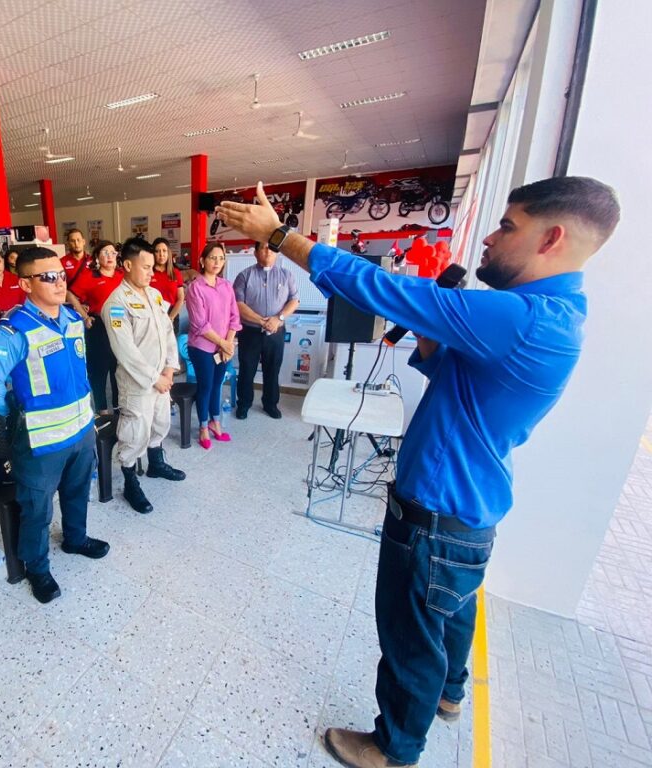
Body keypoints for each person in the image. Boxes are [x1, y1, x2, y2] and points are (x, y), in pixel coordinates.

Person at [216, 177, 621, 768]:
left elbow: (377, 287)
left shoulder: (524, 318)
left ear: (552, 237)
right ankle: (450, 696)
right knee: (451, 614)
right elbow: (449, 373)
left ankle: (394, 748)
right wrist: (439, 321)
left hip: (435, 511)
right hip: (467, 507)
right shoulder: (555, 316)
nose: (489, 237)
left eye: (508, 226)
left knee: (412, 637)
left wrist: (280, 235)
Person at [0, 246, 109, 604]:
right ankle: (36, 568)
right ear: (24, 283)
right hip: (40, 439)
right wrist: (18, 414)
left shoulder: (70, 318)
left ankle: (76, 539)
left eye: (61, 275)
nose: (58, 282)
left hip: (80, 429)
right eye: (47, 276)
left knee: (77, 490)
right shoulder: (12, 331)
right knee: (37, 507)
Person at [101, 237, 185, 514]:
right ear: (127, 265)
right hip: (137, 383)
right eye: (146, 267)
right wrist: (154, 378)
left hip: (162, 377)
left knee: (160, 424)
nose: (152, 272)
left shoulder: (155, 295)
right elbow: (125, 351)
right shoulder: (116, 303)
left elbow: (167, 333)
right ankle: (129, 481)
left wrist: (170, 368)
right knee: (135, 433)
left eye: (153, 266)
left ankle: (156, 465)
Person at [232, 241, 299, 420]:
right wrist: (261, 321)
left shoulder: (286, 275)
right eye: (263, 247)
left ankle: (270, 404)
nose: (267, 251)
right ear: (255, 252)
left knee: (272, 369)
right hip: (250, 331)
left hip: (276, 331)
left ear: (277, 253)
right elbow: (238, 304)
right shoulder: (244, 276)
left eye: (272, 248)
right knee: (247, 369)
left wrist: (279, 318)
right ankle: (244, 404)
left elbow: (294, 300)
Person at [184, 243, 240, 450]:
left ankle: (216, 422)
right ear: (202, 260)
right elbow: (200, 324)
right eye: (212, 258)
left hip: (223, 347)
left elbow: (235, 316)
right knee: (206, 386)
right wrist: (224, 344)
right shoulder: (195, 288)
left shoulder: (226, 285)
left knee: (218, 385)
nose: (217, 262)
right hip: (202, 347)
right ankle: (203, 427)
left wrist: (229, 343)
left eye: (220, 258)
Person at [67, 240, 123, 414]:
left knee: (119, 370)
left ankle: (118, 406)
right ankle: (102, 410)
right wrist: (85, 317)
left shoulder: (122, 275)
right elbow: (70, 294)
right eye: (105, 253)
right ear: (97, 257)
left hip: (121, 327)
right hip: (99, 327)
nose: (109, 256)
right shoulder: (90, 276)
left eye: (112, 252)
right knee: (99, 371)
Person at [150, 237, 186, 328]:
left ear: (168, 253)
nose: (161, 254)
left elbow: (180, 298)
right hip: (152, 315)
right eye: (157, 251)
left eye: (164, 251)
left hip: (172, 314)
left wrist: (170, 318)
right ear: (153, 254)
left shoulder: (175, 273)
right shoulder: (148, 273)